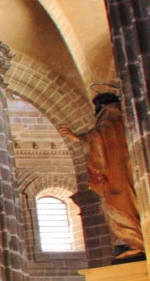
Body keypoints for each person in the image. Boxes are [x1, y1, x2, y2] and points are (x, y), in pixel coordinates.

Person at [59, 92, 144, 258]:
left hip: (118, 177)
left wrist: (78, 138)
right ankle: (133, 241)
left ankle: (134, 242)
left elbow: (99, 137)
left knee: (117, 208)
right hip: (125, 173)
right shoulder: (125, 119)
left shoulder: (109, 120)